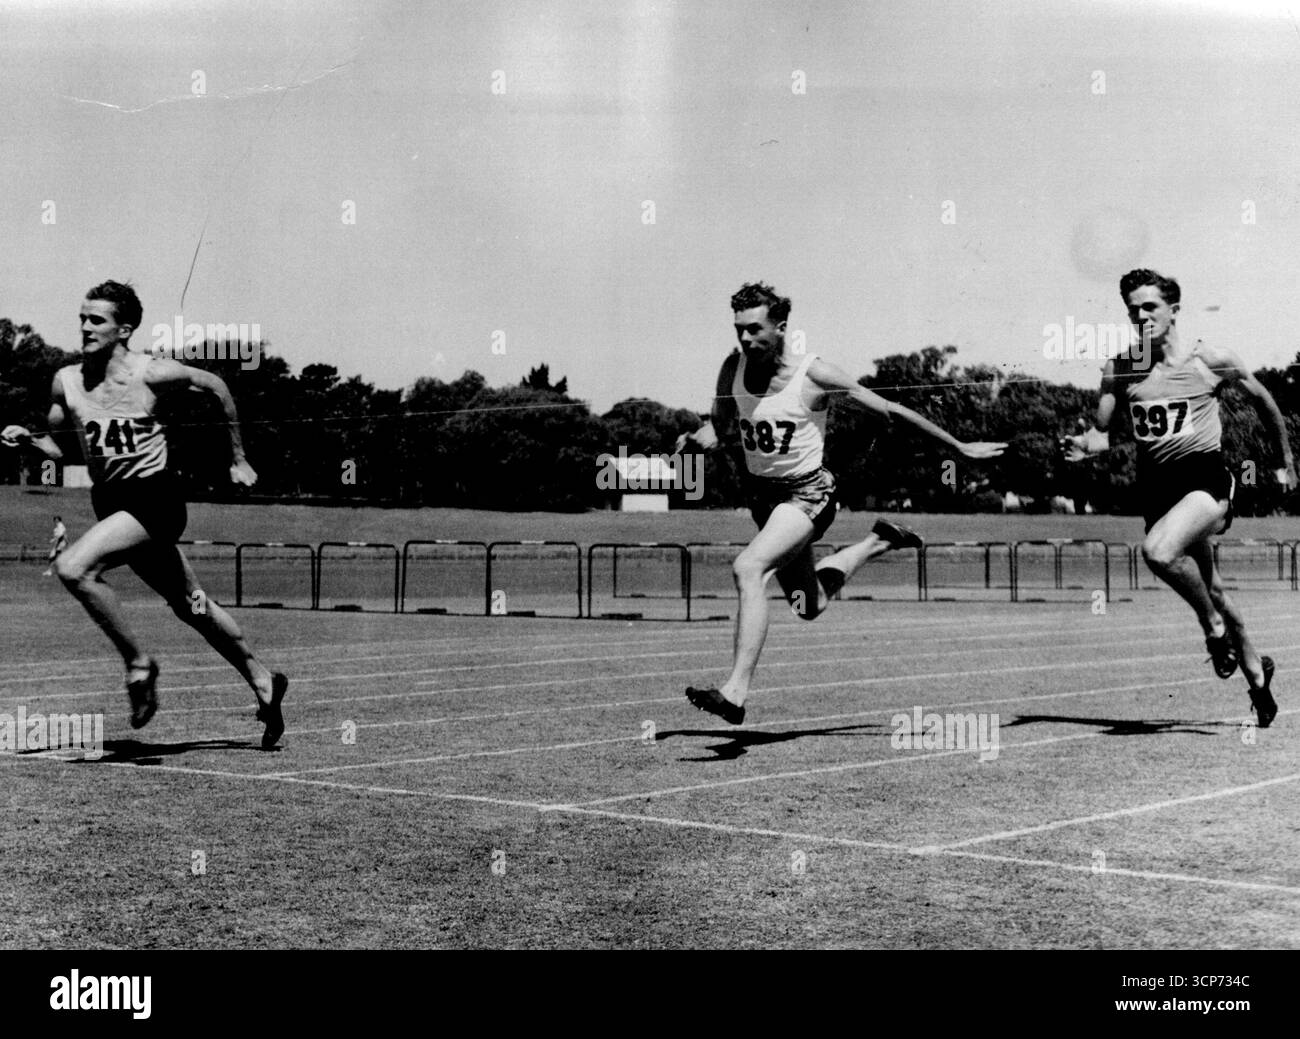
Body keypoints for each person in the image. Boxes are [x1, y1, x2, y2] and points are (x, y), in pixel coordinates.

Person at [677, 282, 1006, 723]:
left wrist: (958, 447)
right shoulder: (730, 369)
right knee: (807, 604)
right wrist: (701, 439)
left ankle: (734, 692)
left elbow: (890, 411)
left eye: (754, 329)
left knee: (749, 567)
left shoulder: (815, 375)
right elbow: (722, 426)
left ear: (781, 328)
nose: (744, 339)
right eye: (738, 330)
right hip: (764, 499)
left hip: (808, 493)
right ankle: (877, 541)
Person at [1, 280, 288, 747]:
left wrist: (238, 457)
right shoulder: (67, 382)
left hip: (155, 501)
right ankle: (263, 680)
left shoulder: (151, 374)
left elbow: (215, 384)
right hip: (113, 505)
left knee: (74, 567)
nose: (86, 327)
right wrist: (30, 439)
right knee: (193, 606)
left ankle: (139, 664)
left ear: (124, 329)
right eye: (82, 318)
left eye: (97, 320)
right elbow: (63, 450)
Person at [1065, 268, 1296, 728]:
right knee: (1213, 589)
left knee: (1158, 552)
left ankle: (1212, 630)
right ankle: (1257, 675)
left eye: (1149, 306)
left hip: (1206, 481)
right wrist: (1082, 446)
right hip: (1158, 491)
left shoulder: (1210, 359)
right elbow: (1102, 435)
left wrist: (1286, 462)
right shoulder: (1120, 368)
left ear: (1174, 310)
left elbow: (1265, 402)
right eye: (1133, 309)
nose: (1140, 315)